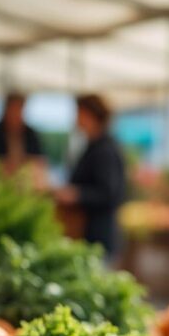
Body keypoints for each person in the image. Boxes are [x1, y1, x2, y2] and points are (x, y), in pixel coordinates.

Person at [54, 94, 126, 258]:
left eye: (78, 113)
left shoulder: (104, 150)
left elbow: (109, 193)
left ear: (90, 115)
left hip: (99, 234)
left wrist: (76, 194)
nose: (76, 118)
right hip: (91, 232)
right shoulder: (94, 145)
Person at [0, 92, 44, 175]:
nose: (15, 114)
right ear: (6, 110)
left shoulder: (31, 134)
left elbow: (40, 160)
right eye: (12, 109)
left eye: (18, 110)